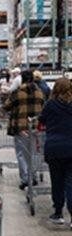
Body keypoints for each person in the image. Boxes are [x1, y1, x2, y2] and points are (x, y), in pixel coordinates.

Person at [3, 69, 45, 190]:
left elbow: (6, 106)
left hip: (21, 128)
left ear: (22, 79)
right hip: (35, 127)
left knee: (22, 153)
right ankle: (34, 176)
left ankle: (26, 179)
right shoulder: (39, 92)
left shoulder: (17, 93)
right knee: (34, 152)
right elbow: (43, 106)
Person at [38, 77, 72, 226]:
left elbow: (42, 120)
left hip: (54, 148)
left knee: (57, 181)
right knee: (70, 182)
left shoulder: (50, 104)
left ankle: (58, 213)